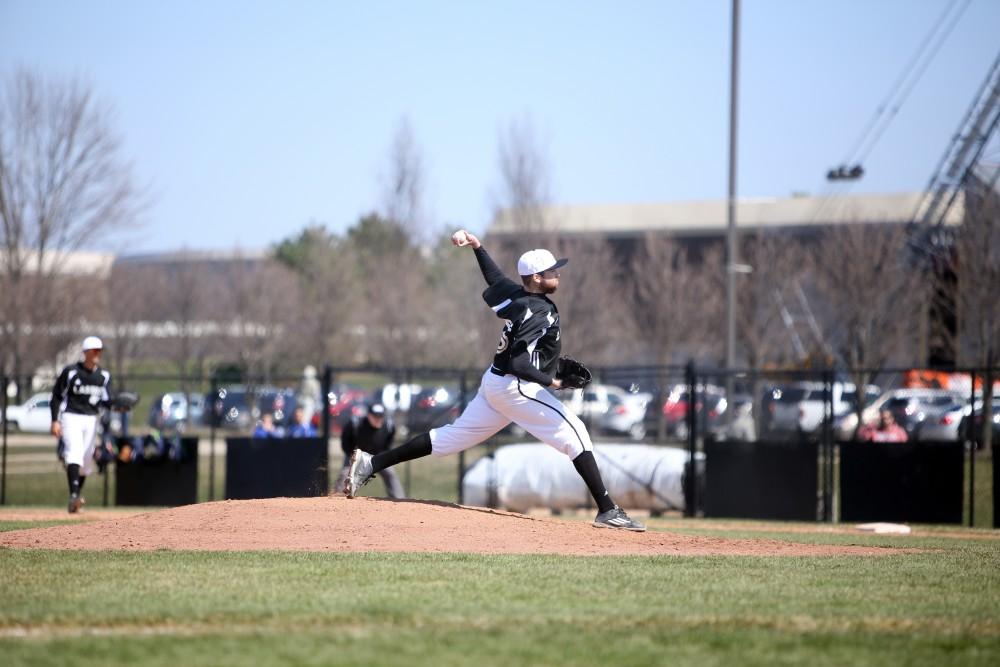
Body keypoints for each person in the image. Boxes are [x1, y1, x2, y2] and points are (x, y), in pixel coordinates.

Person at [344, 230, 645, 531]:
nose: (557, 274)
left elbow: (495, 280)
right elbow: (519, 362)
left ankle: (371, 463)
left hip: (495, 383)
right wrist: (551, 382)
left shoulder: (518, 298)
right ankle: (607, 509)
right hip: (515, 386)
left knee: (449, 439)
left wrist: (477, 246)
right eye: (551, 270)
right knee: (576, 432)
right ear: (537, 278)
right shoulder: (539, 311)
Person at [50, 336, 114, 514]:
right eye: (94, 350)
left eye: (99, 351)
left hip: (92, 419)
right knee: (74, 453)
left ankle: (76, 497)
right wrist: (55, 420)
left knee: (86, 462)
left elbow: (108, 401)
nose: (97, 354)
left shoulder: (104, 376)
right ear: (85, 352)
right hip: (71, 417)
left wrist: (119, 406)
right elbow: (56, 396)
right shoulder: (71, 372)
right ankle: (74, 496)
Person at [337, 403, 405, 499]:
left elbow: (388, 445)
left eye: (380, 416)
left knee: (390, 473)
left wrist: (383, 456)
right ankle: (337, 497)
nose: (378, 419)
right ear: (368, 415)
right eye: (375, 416)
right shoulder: (356, 424)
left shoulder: (389, 426)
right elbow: (345, 442)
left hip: (378, 455)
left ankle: (399, 499)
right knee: (345, 473)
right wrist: (351, 455)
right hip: (357, 456)